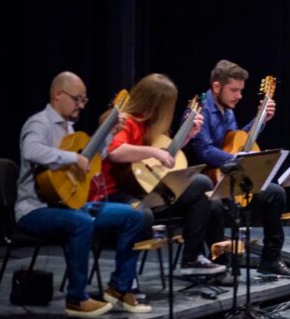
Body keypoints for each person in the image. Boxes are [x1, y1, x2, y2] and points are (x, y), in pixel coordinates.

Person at [15, 71, 149, 318]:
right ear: (58, 95)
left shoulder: (70, 129)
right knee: (82, 223)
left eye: (84, 100)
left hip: (68, 206)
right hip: (35, 210)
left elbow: (96, 158)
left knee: (134, 215)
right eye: (77, 99)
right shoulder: (39, 123)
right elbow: (31, 150)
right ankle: (76, 299)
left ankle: (118, 288)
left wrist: (108, 134)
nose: (81, 105)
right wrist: (72, 157)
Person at [90, 73, 226, 276]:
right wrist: (153, 151)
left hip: (143, 189)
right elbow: (115, 151)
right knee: (198, 186)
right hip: (115, 192)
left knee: (205, 189)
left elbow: (163, 159)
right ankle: (125, 281)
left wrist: (187, 136)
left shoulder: (150, 126)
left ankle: (192, 258)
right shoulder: (125, 121)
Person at [187, 60, 290, 276]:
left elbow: (238, 140)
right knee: (215, 206)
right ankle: (220, 264)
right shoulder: (199, 110)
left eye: (241, 90)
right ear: (217, 87)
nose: (239, 96)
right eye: (234, 90)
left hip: (232, 178)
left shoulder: (228, 110)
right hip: (207, 182)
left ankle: (271, 259)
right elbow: (205, 151)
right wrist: (238, 161)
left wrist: (260, 120)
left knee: (275, 193)